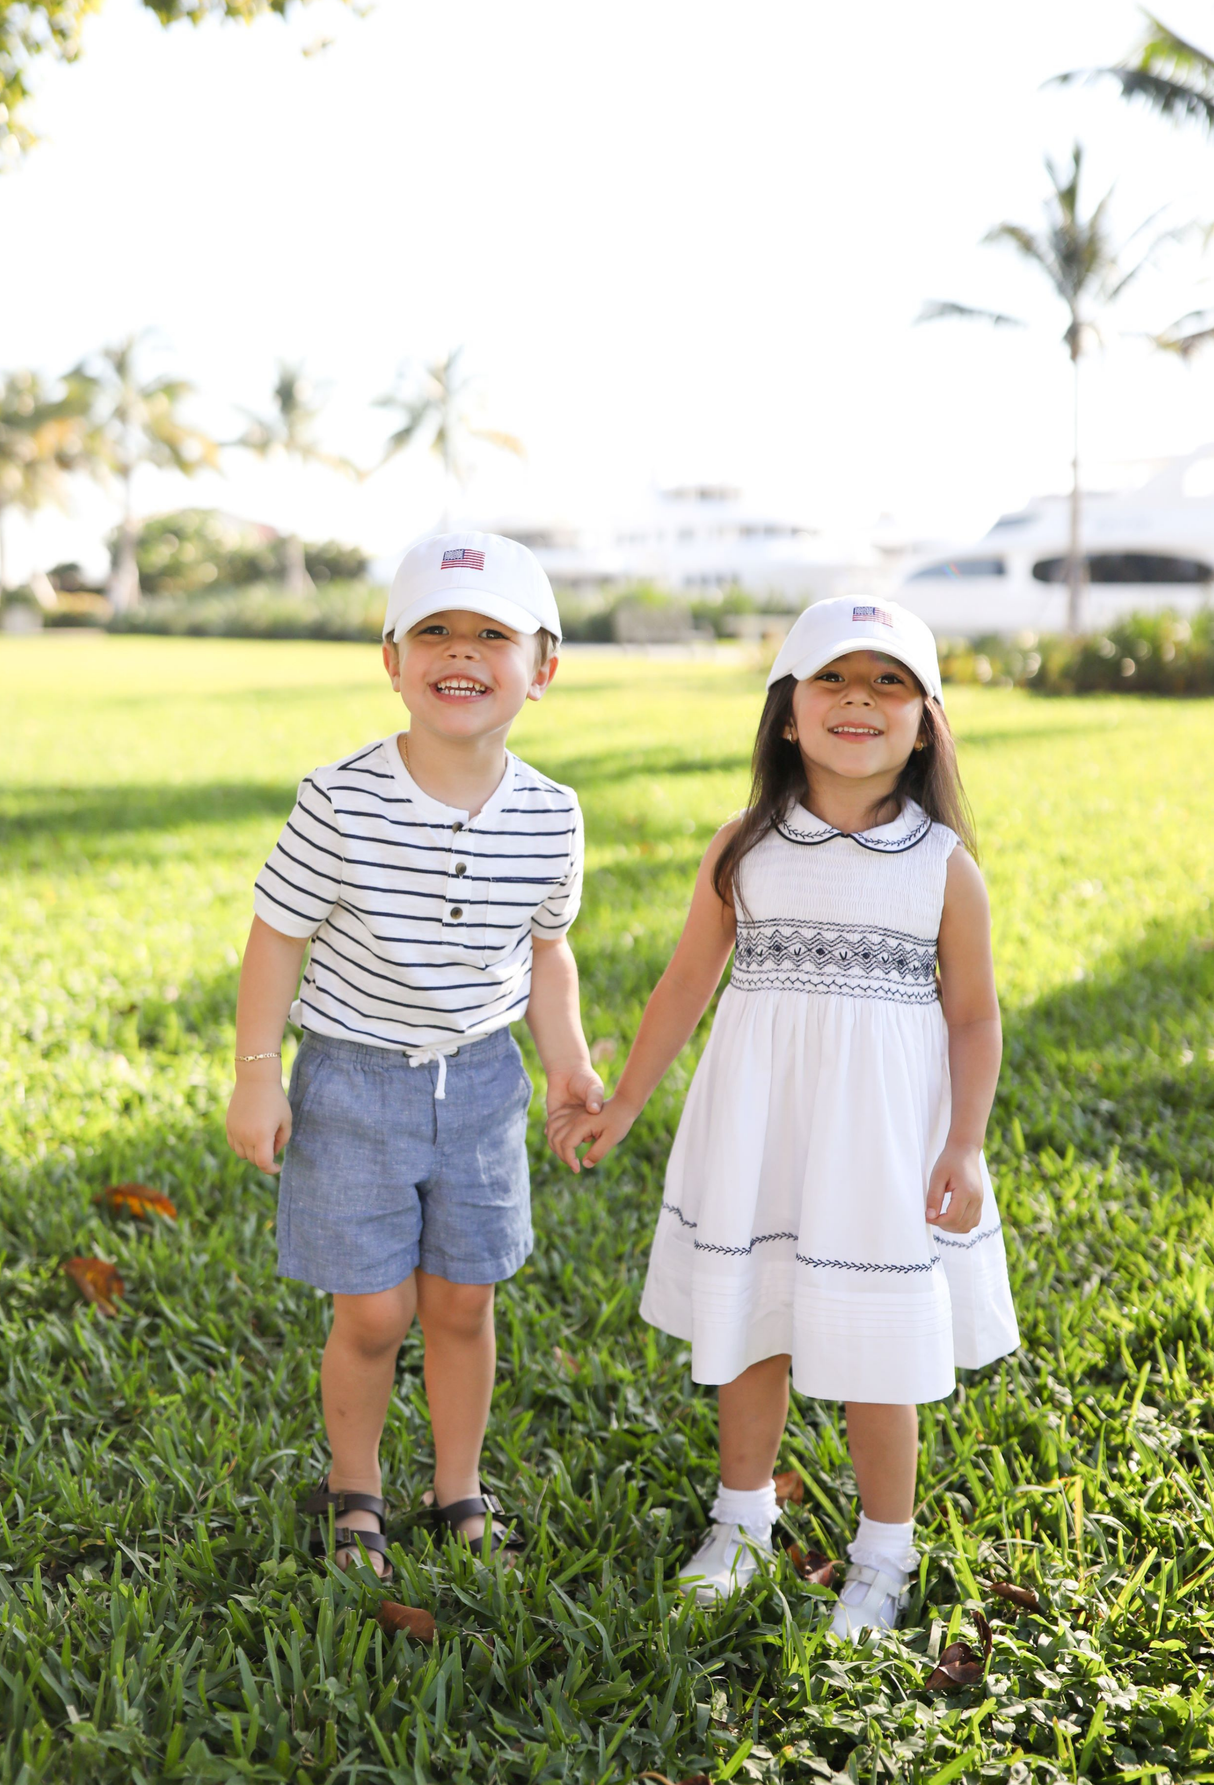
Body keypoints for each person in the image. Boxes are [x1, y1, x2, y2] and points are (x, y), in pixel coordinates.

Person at [548, 596, 1019, 1642]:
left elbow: (975, 1015)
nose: (859, 697)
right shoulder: (743, 846)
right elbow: (681, 986)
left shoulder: (942, 865)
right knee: (751, 1322)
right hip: (757, 1127)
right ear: (786, 716)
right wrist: (624, 1100)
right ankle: (741, 1517)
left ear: (926, 722)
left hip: (880, 1145)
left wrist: (964, 1142)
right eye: (831, 680)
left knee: (876, 1345)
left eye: (888, 682)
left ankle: (883, 1549)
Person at [226, 532, 603, 1575]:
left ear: (543, 668)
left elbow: (546, 949)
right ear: (391, 659)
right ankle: (356, 1488)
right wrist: (258, 1072)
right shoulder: (338, 798)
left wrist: (566, 1058)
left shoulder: (551, 814)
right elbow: (277, 934)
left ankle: (455, 1488)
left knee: (462, 1300)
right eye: (433, 630)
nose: (462, 653)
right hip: (353, 1080)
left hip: (481, 1086)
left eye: (493, 634)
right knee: (375, 1308)